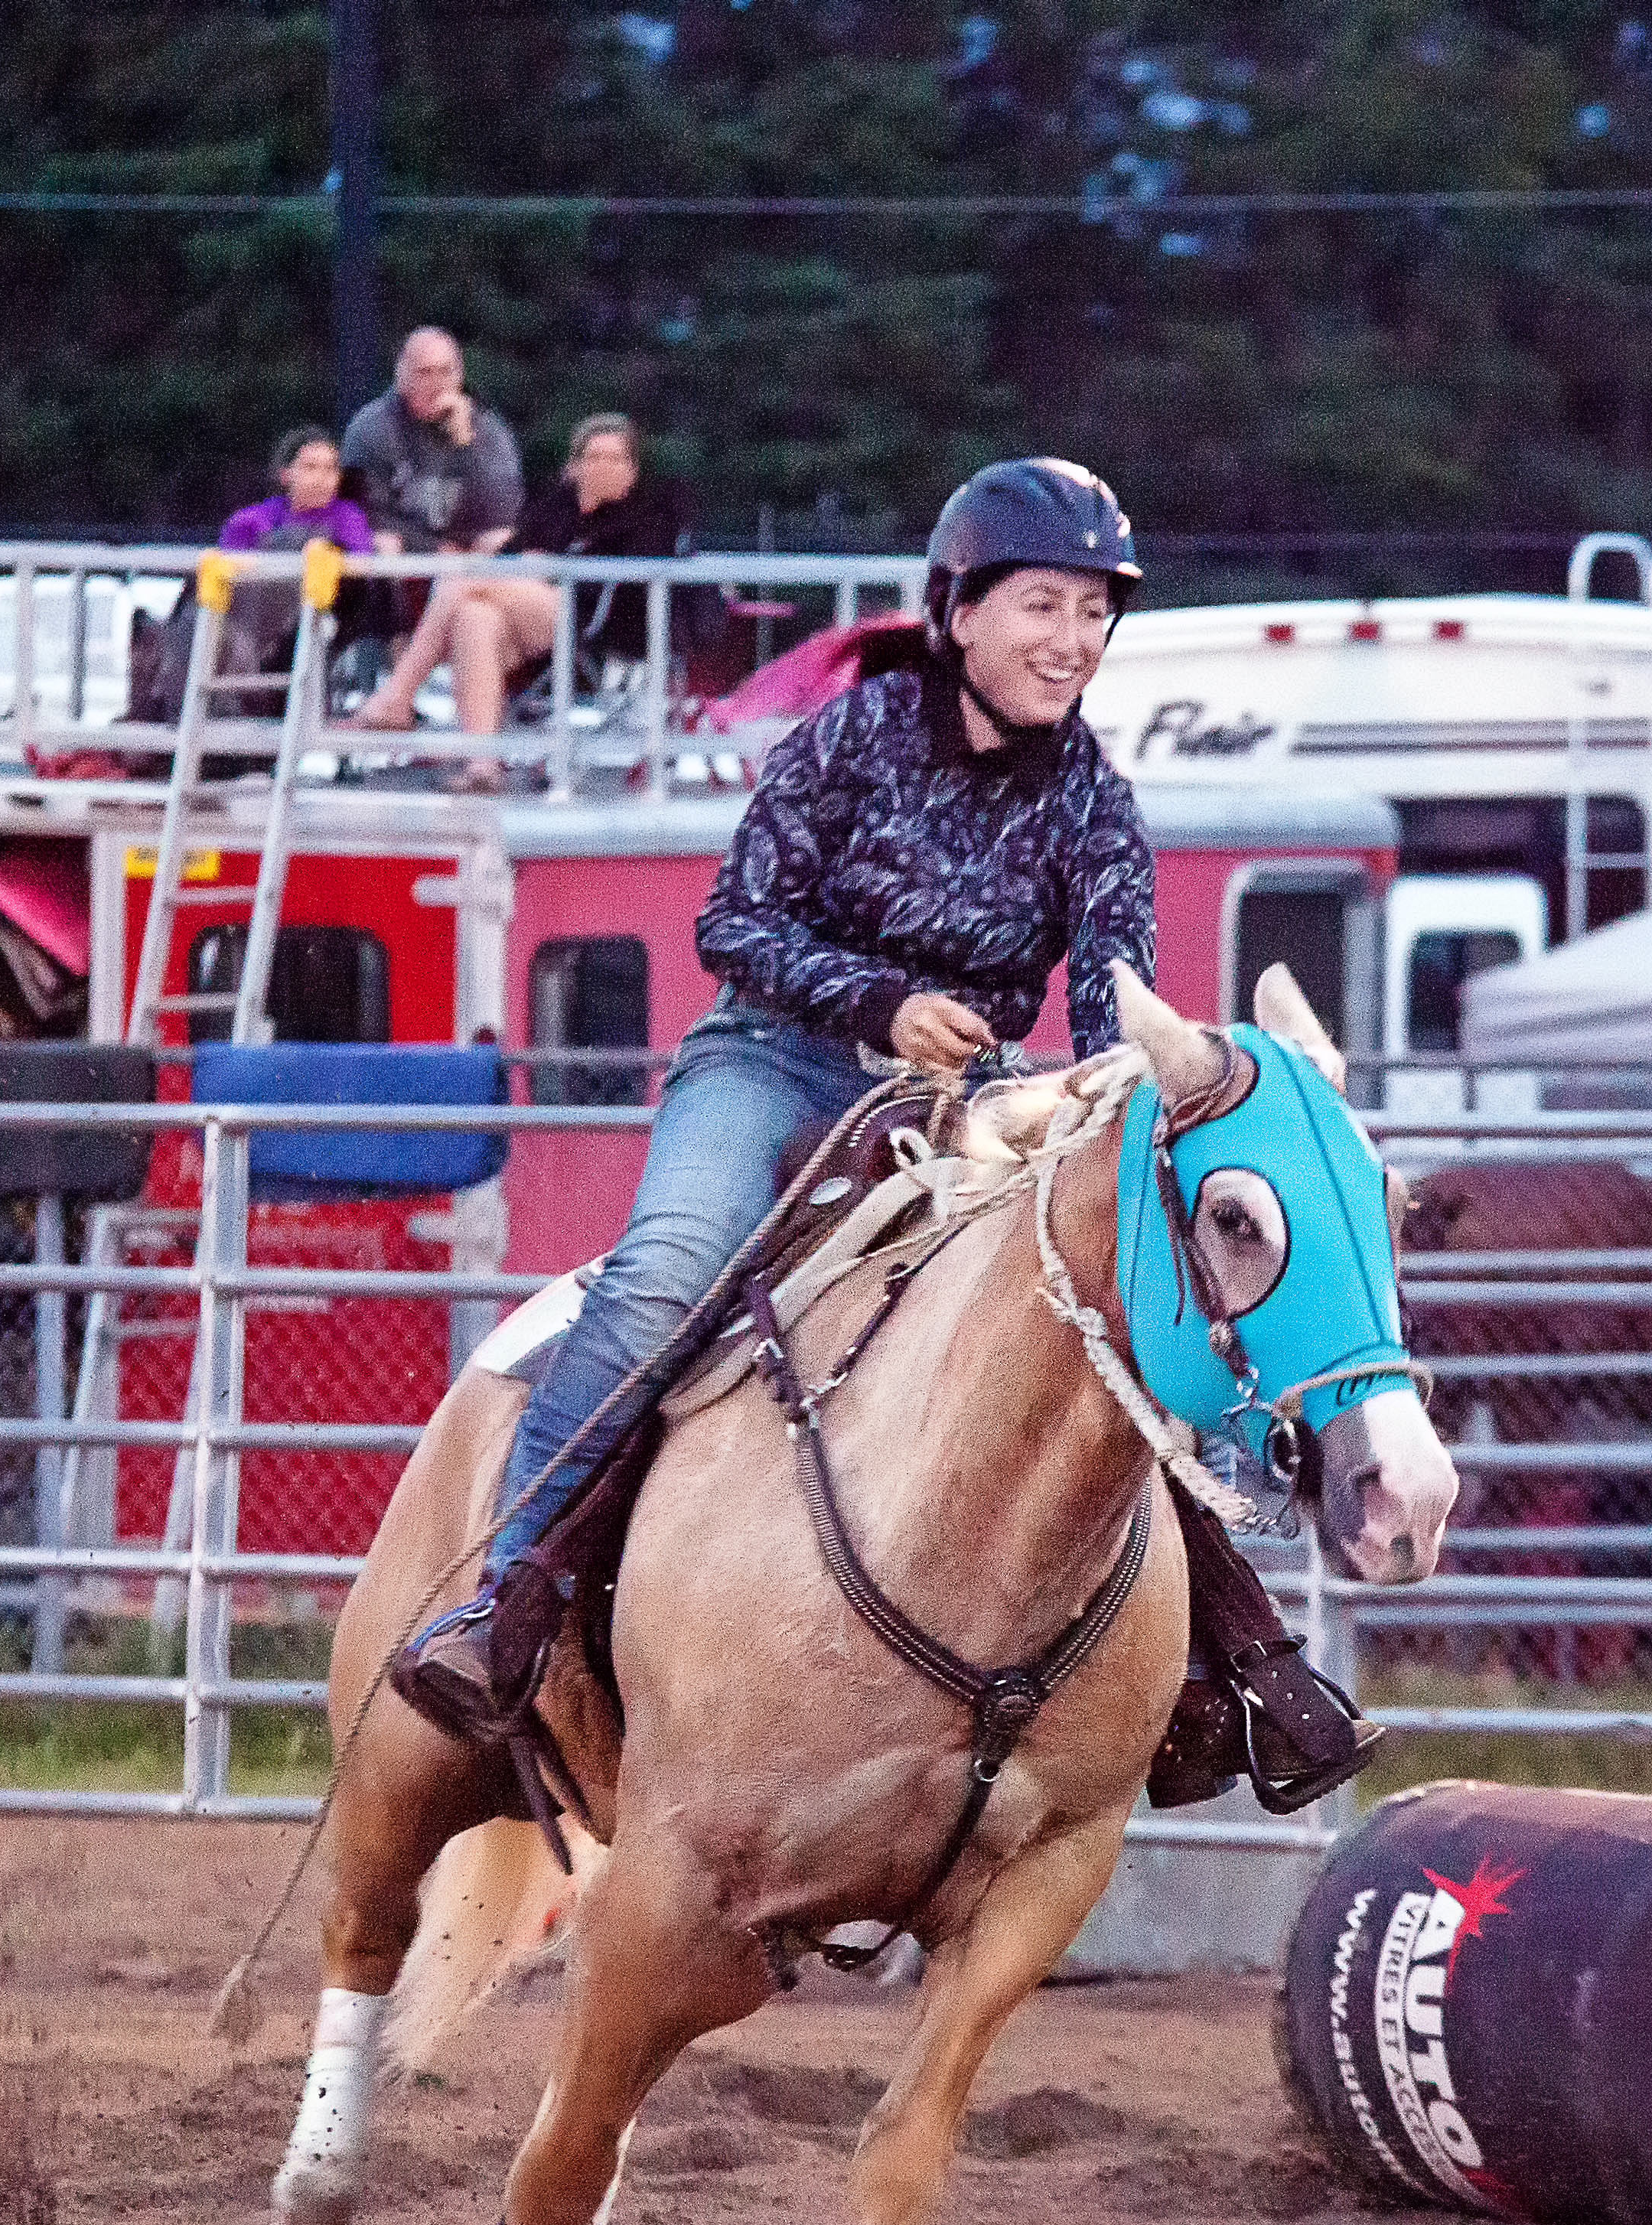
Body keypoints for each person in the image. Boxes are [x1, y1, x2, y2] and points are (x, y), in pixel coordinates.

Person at [386, 458, 1370, 1801]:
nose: (1070, 641)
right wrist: (886, 1001)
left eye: (1093, 613)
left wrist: (1082, 1092)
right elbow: (734, 923)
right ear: (956, 611)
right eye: (1040, 605)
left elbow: (1107, 1000)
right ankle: (508, 1607)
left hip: (967, 1101)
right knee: (670, 1272)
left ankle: (1242, 1672)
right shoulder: (849, 740)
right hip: (768, 1062)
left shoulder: (1096, 803)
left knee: (1105, 1316)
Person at [354, 412, 695, 785]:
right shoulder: (555, 506)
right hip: (533, 614)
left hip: (593, 618)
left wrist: (553, 566)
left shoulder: (646, 514)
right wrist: (523, 562)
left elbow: (633, 579)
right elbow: (513, 556)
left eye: (618, 459)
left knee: (464, 578)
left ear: (633, 469)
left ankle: (398, 695)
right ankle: (482, 765)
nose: (606, 467)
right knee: (474, 616)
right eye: (595, 457)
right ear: (575, 465)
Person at [339, 326, 523, 568]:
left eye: (446, 372)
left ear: (460, 376)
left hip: (469, 561)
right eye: (425, 373)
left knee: (498, 538)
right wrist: (433, 549)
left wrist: (467, 444)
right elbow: (368, 515)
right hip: (409, 555)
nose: (437, 384)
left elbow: (505, 512)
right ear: (402, 378)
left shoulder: (488, 430)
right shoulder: (372, 428)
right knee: (385, 543)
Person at [219, 427, 375, 557]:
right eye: (310, 467)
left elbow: (361, 568)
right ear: (285, 475)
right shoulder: (252, 521)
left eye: (331, 468)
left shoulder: (349, 517)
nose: (322, 478)